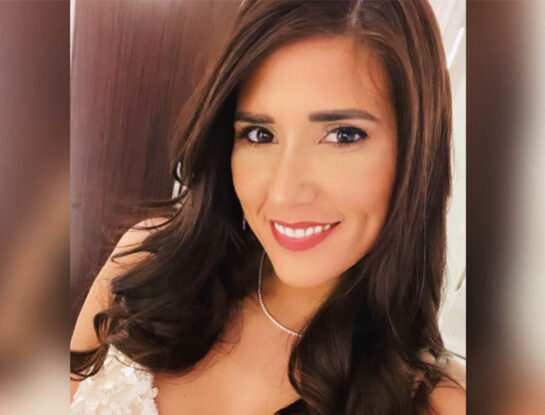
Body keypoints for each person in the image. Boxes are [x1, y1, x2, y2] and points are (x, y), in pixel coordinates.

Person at [70, 0, 466, 413]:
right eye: (260, 134)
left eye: (343, 135)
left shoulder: (439, 404)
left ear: (416, 152)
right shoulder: (145, 270)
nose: (283, 193)